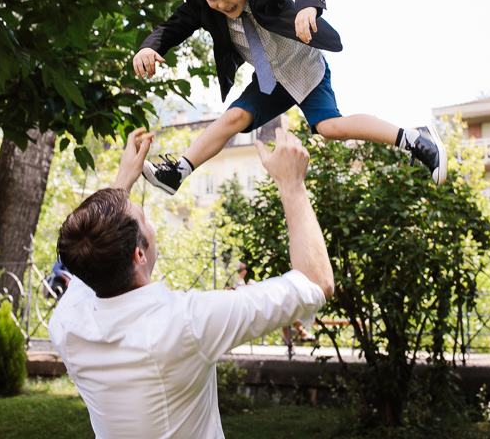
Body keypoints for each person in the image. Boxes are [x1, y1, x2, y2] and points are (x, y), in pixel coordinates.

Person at [48, 127, 334, 439]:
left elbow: (91, 249)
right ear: (139, 255)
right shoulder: (186, 324)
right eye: (145, 218)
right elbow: (316, 283)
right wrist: (292, 185)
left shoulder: (66, 321)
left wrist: (123, 182)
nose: (151, 223)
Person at [132, 0, 447, 196]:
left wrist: (309, 5)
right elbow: (173, 26)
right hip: (270, 80)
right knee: (234, 117)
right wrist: (149, 47)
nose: (224, 6)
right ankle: (178, 172)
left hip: (305, 68)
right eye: (215, 0)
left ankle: (416, 139)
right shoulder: (203, 1)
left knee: (330, 128)